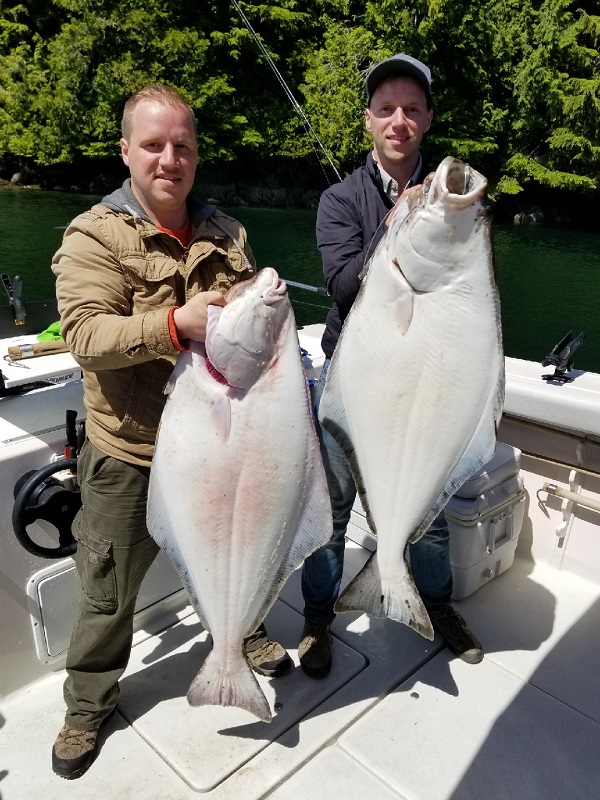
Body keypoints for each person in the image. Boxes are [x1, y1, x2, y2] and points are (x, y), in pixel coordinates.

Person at [50, 84, 291, 780]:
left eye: (182, 145)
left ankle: (240, 636)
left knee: (240, 550)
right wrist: (171, 327)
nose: (170, 158)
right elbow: (86, 336)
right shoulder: (93, 234)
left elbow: (252, 319)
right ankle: (88, 706)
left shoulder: (228, 234)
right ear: (125, 150)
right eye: (153, 144)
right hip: (129, 451)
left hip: (220, 445)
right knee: (106, 591)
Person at [298, 54, 484, 679]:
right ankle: (318, 617)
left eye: (411, 109)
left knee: (427, 515)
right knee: (332, 507)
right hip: (351, 382)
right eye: (386, 110)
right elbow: (344, 285)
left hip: (426, 382)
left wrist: (427, 215)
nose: (399, 120)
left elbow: (469, 295)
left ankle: (434, 605)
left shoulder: (454, 198)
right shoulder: (339, 200)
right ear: (369, 121)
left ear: (428, 119)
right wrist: (397, 223)